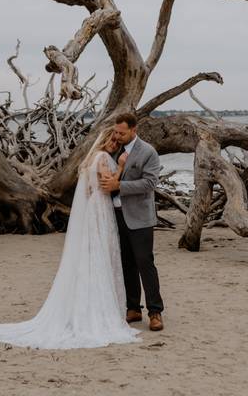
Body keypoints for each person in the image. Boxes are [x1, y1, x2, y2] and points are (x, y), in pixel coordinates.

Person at [0, 128, 141, 349]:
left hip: (93, 209)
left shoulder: (89, 160)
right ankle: (101, 310)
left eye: (117, 142)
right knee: (100, 254)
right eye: (113, 141)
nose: (115, 145)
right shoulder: (104, 157)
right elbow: (107, 184)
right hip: (100, 208)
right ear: (104, 140)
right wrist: (123, 166)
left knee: (93, 255)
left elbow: (88, 190)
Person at [98, 112, 165, 332]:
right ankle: (133, 308)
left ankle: (155, 312)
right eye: (116, 131)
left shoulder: (148, 152)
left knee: (145, 262)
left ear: (134, 130)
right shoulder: (113, 148)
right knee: (126, 263)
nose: (117, 136)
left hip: (140, 218)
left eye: (121, 132)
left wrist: (120, 187)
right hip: (116, 215)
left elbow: (149, 183)